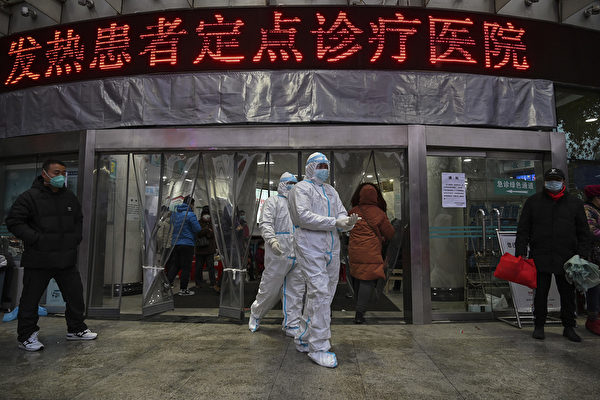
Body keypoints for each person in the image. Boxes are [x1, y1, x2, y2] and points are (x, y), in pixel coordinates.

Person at [5, 159, 97, 351]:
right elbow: (14, 221)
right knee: (30, 299)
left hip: (66, 258)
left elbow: (78, 221)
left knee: (75, 295)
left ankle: (76, 328)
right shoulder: (29, 197)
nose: (60, 176)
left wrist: (74, 240)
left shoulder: (69, 197)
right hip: (39, 259)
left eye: (62, 173)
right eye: (56, 172)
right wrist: (36, 239)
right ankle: (27, 336)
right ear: (44, 174)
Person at [288, 152, 358, 368]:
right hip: (309, 245)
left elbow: (341, 214)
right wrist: (335, 222)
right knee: (319, 292)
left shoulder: (331, 190)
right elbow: (303, 217)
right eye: (320, 165)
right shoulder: (300, 189)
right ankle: (318, 347)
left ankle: (303, 337)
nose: (324, 169)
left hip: (331, 246)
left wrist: (348, 223)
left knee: (324, 295)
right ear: (309, 167)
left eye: (327, 166)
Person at [515, 168, 591, 342]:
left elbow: (583, 232)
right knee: (540, 293)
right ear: (545, 182)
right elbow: (523, 230)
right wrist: (520, 252)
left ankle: (569, 327)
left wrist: (582, 255)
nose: (553, 182)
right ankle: (539, 325)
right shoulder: (533, 202)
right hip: (540, 255)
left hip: (568, 258)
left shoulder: (575, 203)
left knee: (567, 295)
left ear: (563, 181)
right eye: (550, 179)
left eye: (556, 179)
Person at [249, 172, 305, 337]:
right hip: (279, 253)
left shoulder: (300, 204)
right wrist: (272, 241)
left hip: (299, 253)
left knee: (295, 291)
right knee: (269, 288)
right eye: (289, 183)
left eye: (295, 184)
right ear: (281, 184)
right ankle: (256, 314)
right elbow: (265, 223)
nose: (292, 187)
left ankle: (292, 324)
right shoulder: (272, 202)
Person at [348, 183, 395, 324]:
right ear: (375, 196)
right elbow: (391, 233)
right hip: (371, 252)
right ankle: (359, 313)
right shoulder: (379, 213)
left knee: (357, 277)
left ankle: (358, 306)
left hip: (355, 251)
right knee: (366, 281)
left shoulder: (353, 212)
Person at [167, 196, 202, 296]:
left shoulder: (175, 214)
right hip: (187, 244)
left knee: (176, 265)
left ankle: (167, 284)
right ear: (191, 204)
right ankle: (183, 289)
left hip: (175, 243)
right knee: (186, 267)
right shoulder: (190, 214)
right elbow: (197, 229)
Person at [583, 184, 600, 336]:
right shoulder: (587, 210)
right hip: (593, 256)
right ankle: (593, 319)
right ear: (595, 198)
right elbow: (592, 232)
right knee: (594, 287)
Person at [195, 206, 219, 293]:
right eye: (205, 214)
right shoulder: (199, 223)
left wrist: (206, 231)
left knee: (210, 267)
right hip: (201, 249)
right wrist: (207, 230)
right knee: (199, 267)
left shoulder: (211, 223)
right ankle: (199, 283)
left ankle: (212, 283)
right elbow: (198, 233)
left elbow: (211, 235)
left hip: (208, 249)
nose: (207, 216)